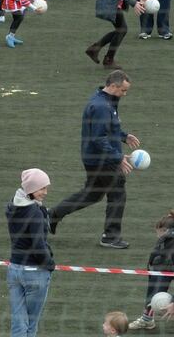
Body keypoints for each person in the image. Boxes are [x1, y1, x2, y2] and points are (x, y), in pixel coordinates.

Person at [50, 70, 140, 249]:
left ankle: (51, 215)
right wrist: (118, 157)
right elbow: (98, 138)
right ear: (113, 86)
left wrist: (123, 136)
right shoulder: (102, 107)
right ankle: (110, 237)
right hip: (102, 159)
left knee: (92, 193)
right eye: (123, 90)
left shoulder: (104, 100)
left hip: (94, 158)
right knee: (117, 192)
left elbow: (106, 129)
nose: (125, 94)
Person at [5, 168, 54, 337]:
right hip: (34, 272)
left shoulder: (12, 206)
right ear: (31, 189)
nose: (45, 192)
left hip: (14, 270)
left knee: (18, 323)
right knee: (31, 324)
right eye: (42, 188)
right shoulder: (35, 212)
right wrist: (50, 264)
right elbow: (38, 245)